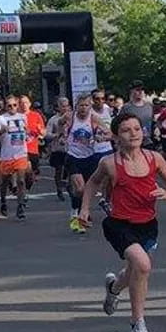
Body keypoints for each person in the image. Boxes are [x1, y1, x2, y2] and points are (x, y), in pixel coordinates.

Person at [79, 111, 166, 332]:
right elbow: (92, 182)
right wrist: (84, 209)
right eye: (126, 130)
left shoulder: (154, 158)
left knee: (134, 271)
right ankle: (138, 326)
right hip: (119, 224)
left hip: (148, 224)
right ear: (116, 137)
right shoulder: (110, 163)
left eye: (136, 129)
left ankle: (114, 288)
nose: (133, 134)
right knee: (143, 265)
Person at [62, 94, 110, 233]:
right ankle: (75, 212)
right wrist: (61, 135)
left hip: (89, 157)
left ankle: (82, 212)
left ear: (90, 107)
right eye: (81, 105)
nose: (83, 108)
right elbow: (59, 124)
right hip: (72, 156)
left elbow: (110, 134)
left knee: (87, 190)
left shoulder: (94, 119)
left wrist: (102, 137)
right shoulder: (69, 117)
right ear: (76, 106)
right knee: (80, 189)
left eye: (86, 105)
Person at [0, 96, 30, 219]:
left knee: (21, 181)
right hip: (6, 155)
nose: (12, 108)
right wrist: (1, 131)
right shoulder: (1, 119)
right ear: (5, 107)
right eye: (9, 105)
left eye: (14, 105)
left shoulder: (23, 117)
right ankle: (3, 201)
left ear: (18, 105)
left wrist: (28, 136)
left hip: (21, 153)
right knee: (4, 182)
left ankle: (21, 206)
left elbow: (26, 133)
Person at [44, 97, 71, 201]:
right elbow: (47, 134)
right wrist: (56, 135)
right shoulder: (53, 120)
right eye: (62, 106)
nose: (65, 108)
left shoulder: (73, 118)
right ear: (58, 107)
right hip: (58, 149)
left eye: (66, 106)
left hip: (70, 148)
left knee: (70, 169)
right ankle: (59, 189)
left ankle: (69, 185)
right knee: (59, 170)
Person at [21, 94, 46, 193]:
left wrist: (41, 132)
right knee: (25, 171)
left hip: (33, 149)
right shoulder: (16, 117)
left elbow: (43, 131)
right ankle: (20, 191)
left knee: (30, 175)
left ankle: (26, 188)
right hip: (21, 150)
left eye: (26, 103)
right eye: (21, 103)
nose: (24, 105)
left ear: (30, 104)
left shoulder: (35, 115)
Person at [126, 81, 154, 149]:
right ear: (132, 91)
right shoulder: (126, 108)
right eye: (137, 90)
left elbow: (152, 121)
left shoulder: (149, 106)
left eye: (142, 89)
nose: (140, 92)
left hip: (147, 141)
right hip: (133, 142)